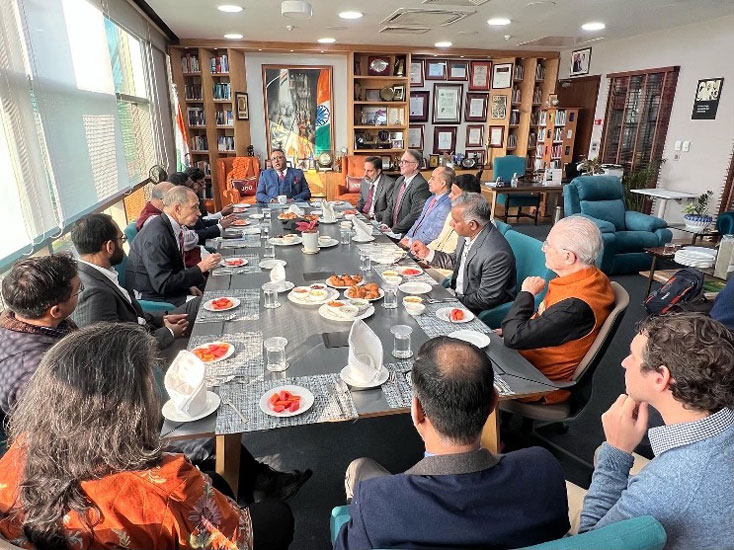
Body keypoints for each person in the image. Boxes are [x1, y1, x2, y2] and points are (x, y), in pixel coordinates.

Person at [0, 323, 295, 550]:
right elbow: (232, 540)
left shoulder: (19, 451)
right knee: (277, 516)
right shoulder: (166, 484)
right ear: (128, 410)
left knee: (216, 481)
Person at [334, 336, 570, 550]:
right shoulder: (543, 470)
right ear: (493, 403)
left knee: (360, 467)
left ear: (417, 411)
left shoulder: (376, 501)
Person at [578, 313, 734, 550]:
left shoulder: (668, 486)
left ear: (661, 378)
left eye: (632, 355)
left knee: (604, 455)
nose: (624, 363)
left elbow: (588, 543)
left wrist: (616, 452)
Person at [501, 215, 615, 404]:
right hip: (532, 355)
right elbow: (549, 320)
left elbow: (514, 338)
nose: (543, 248)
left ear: (568, 257)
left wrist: (527, 294)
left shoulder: (574, 306)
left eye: (548, 244)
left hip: (537, 379)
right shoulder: (593, 277)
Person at [70, 213, 197, 349]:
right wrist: (169, 333)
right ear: (109, 247)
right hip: (148, 355)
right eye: (121, 239)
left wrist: (161, 320)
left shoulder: (97, 272)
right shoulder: (93, 294)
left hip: (149, 329)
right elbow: (116, 348)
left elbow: (131, 313)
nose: (122, 243)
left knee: (200, 304)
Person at [411, 193, 517, 313]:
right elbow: (457, 261)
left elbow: (486, 299)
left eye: (455, 221)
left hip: (476, 309)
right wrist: (427, 253)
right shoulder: (468, 234)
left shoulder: (496, 254)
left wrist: (450, 298)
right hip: (457, 293)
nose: (451, 223)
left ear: (472, 225)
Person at [0, 254, 79, 413]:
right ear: (55, 311)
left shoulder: (23, 318)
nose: (80, 293)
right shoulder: (35, 373)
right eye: (78, 291)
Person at [126, 186, 222, 306]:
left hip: (166, 290)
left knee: (218, 290)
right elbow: (163, 284)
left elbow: (172, 270)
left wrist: (188, 285)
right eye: (194, 207)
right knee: (212, 304)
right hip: (154, 297)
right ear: (177, 209)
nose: (199, 213)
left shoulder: (169, 225)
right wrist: (200, 267)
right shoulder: (157, 236)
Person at [423, 174, 482, 282]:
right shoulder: (454, 212)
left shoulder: (476, 224)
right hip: (435, 263)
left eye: (454, 193)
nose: (449, 196)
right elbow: (440, 240)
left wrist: (431, 261)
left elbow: (461, 264)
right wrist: (425, 254)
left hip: (447, 276)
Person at [169, 171, 237, 244]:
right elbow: (190, 237)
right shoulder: (178, 212)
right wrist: (219, 225)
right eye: (191, 186)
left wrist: (219, 221)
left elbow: (200, 222)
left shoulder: (194, 198)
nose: (199, 213)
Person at [399, 166, 454, 248]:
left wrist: (411, 242)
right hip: (412, 242)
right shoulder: (431, 199)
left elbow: (435, 232)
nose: (429, 182)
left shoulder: (447, 205)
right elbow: (418, 222)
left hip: (424, 248)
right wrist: (407, 237)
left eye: (433, 178)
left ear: (443, 183)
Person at [380, 150, 431, 237]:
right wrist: (385, 224)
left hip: (406, 234)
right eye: (401, 161)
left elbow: (415, 214)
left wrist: (394, 230)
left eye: (405, 162)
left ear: (415, 165)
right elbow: (391, 204)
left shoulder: (421, 185)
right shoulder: (400, 180)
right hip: (391, 230)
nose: (400, 164)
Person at [355, 156, 395, 221]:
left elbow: (391, 210)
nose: (365, 174)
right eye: (364, 170)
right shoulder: (365, 181)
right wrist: (355, 212)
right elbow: (361, 201)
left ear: (378, 171)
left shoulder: (389, 184)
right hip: (362, 217)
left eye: (369, 171)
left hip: (377, 220)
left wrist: (371, 216)